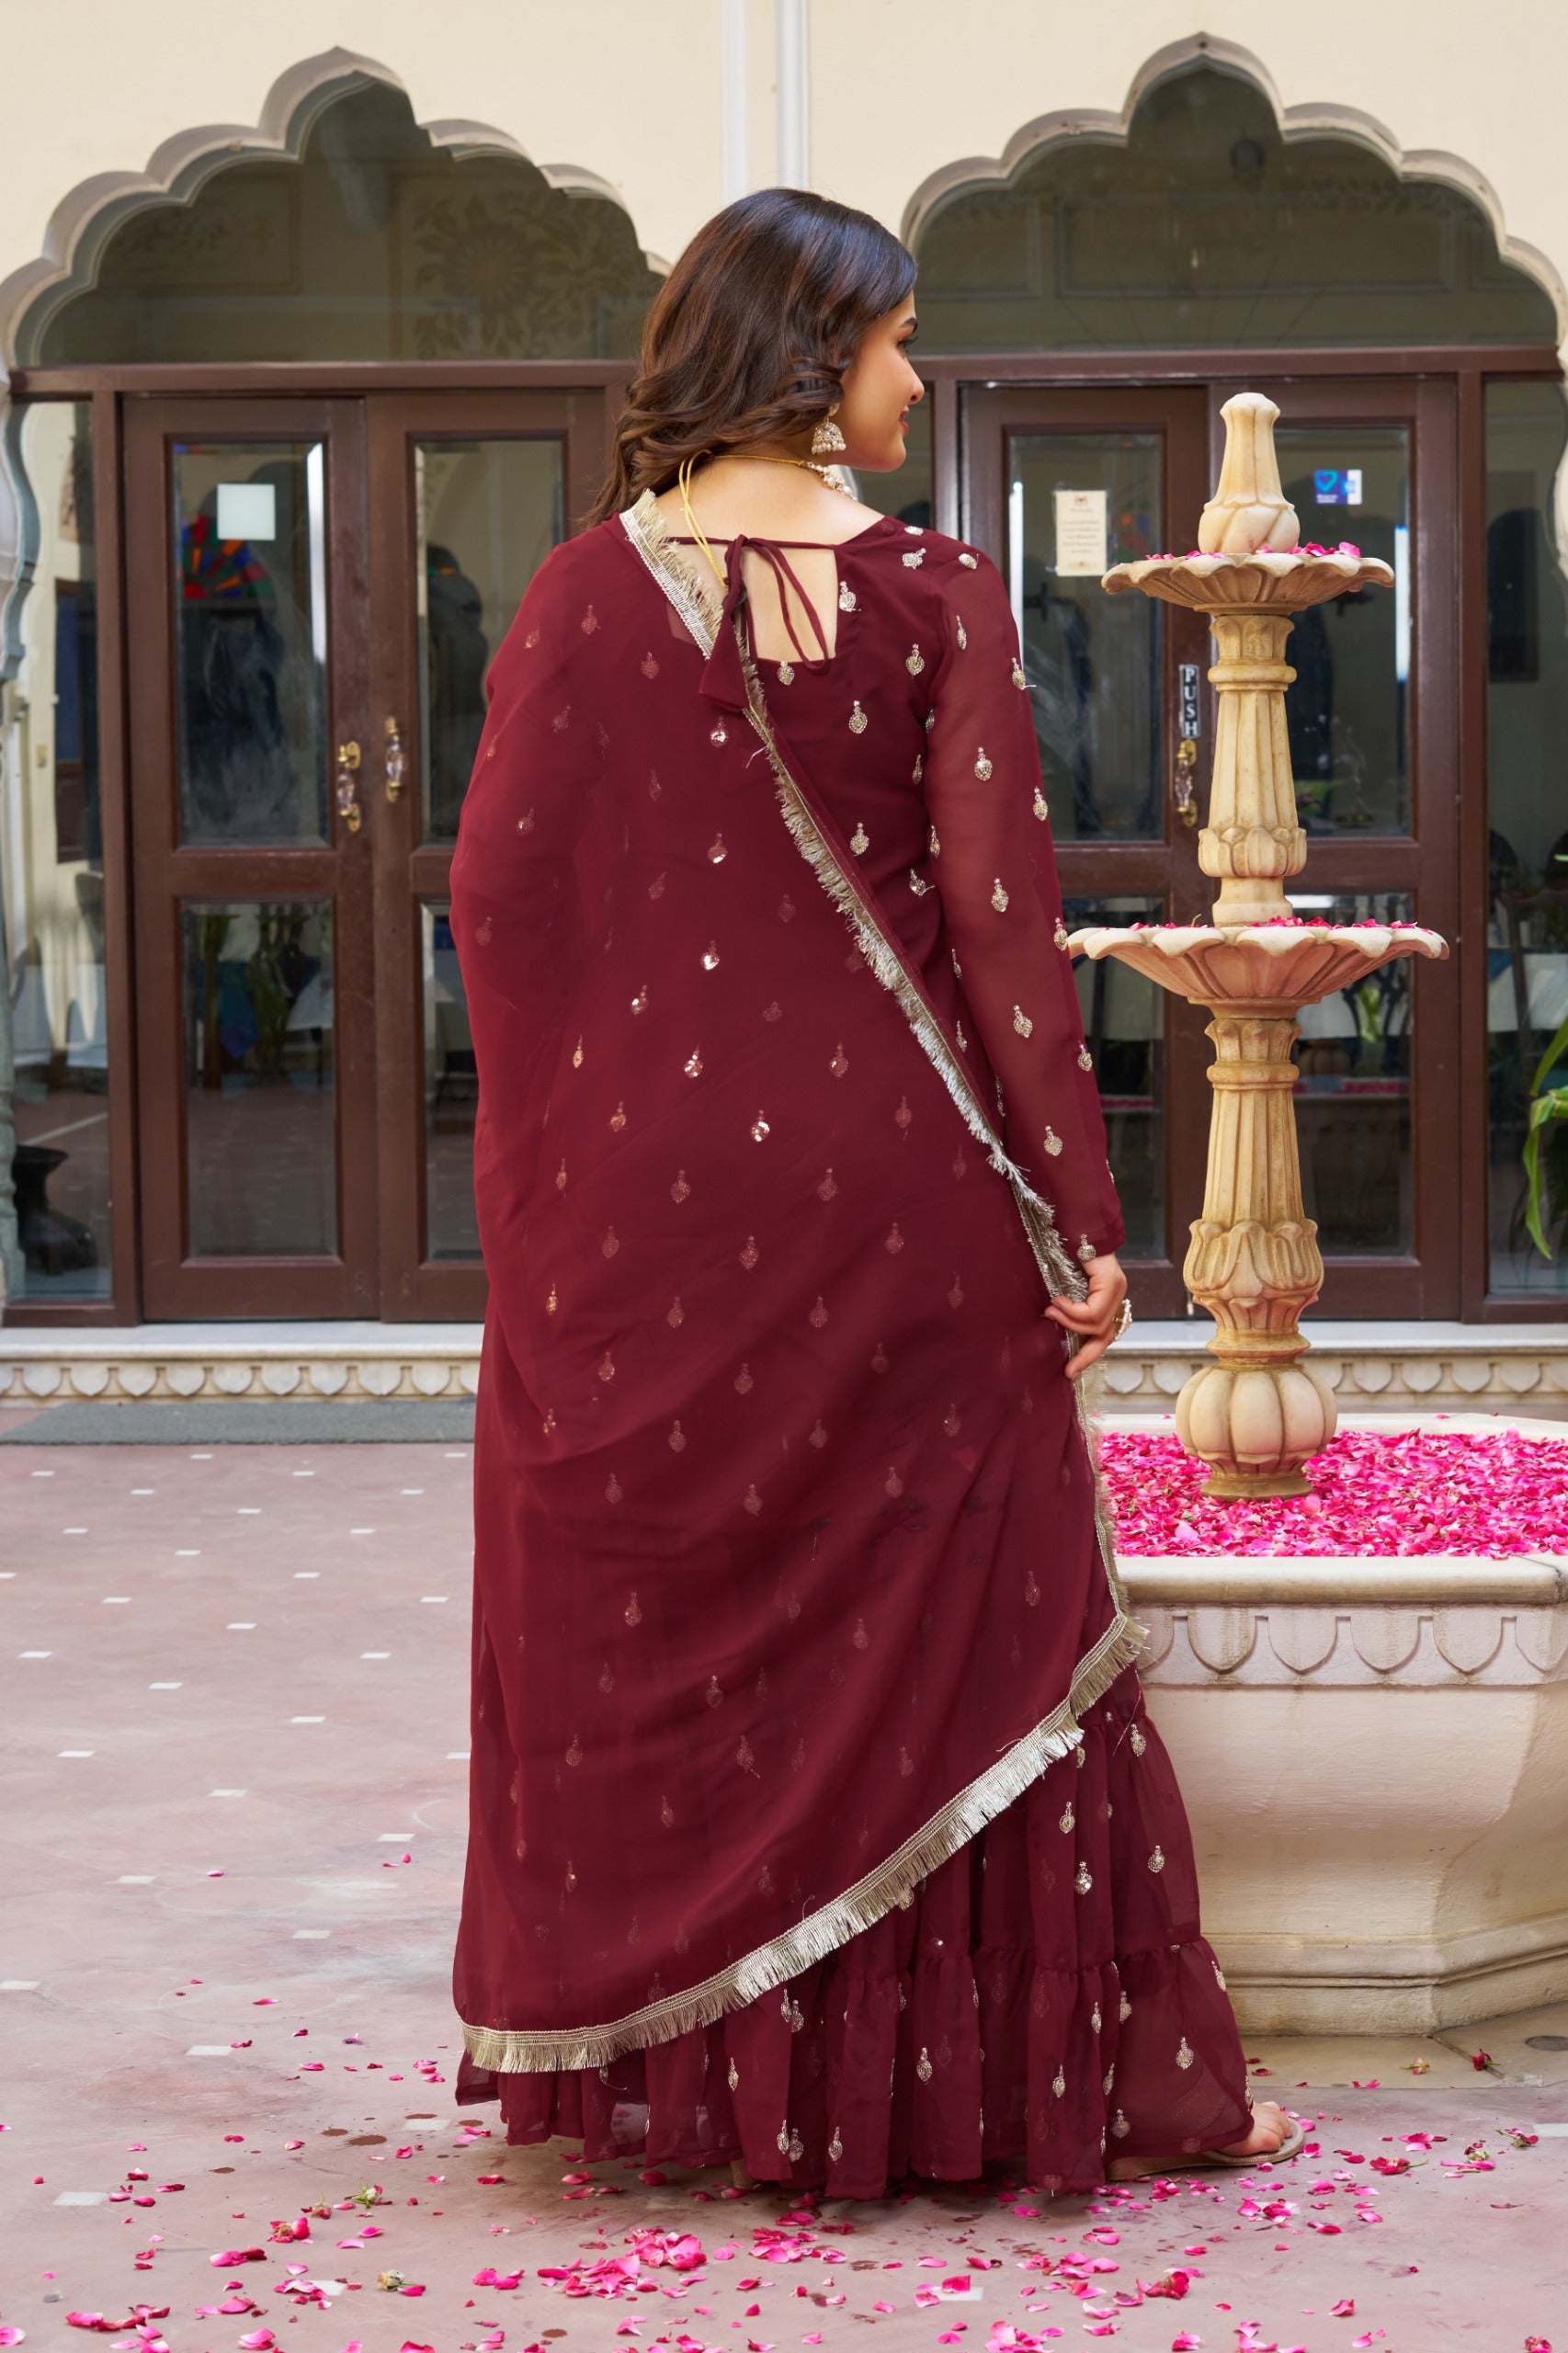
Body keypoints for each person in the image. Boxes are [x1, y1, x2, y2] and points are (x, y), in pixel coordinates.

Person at [449, 188, 1298, 2196]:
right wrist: (1083, 1214)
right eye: (898, 340)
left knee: (722, 1635)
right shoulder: (936, 593)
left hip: (649, 1218)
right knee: (975, 1644)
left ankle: (732, 2093)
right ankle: (997, 2093)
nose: (915, 375)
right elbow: (1007, 942)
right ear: (814, 362)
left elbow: (497, 901)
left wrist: (568, 1167)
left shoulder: (580, 595)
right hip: (898, 1198)